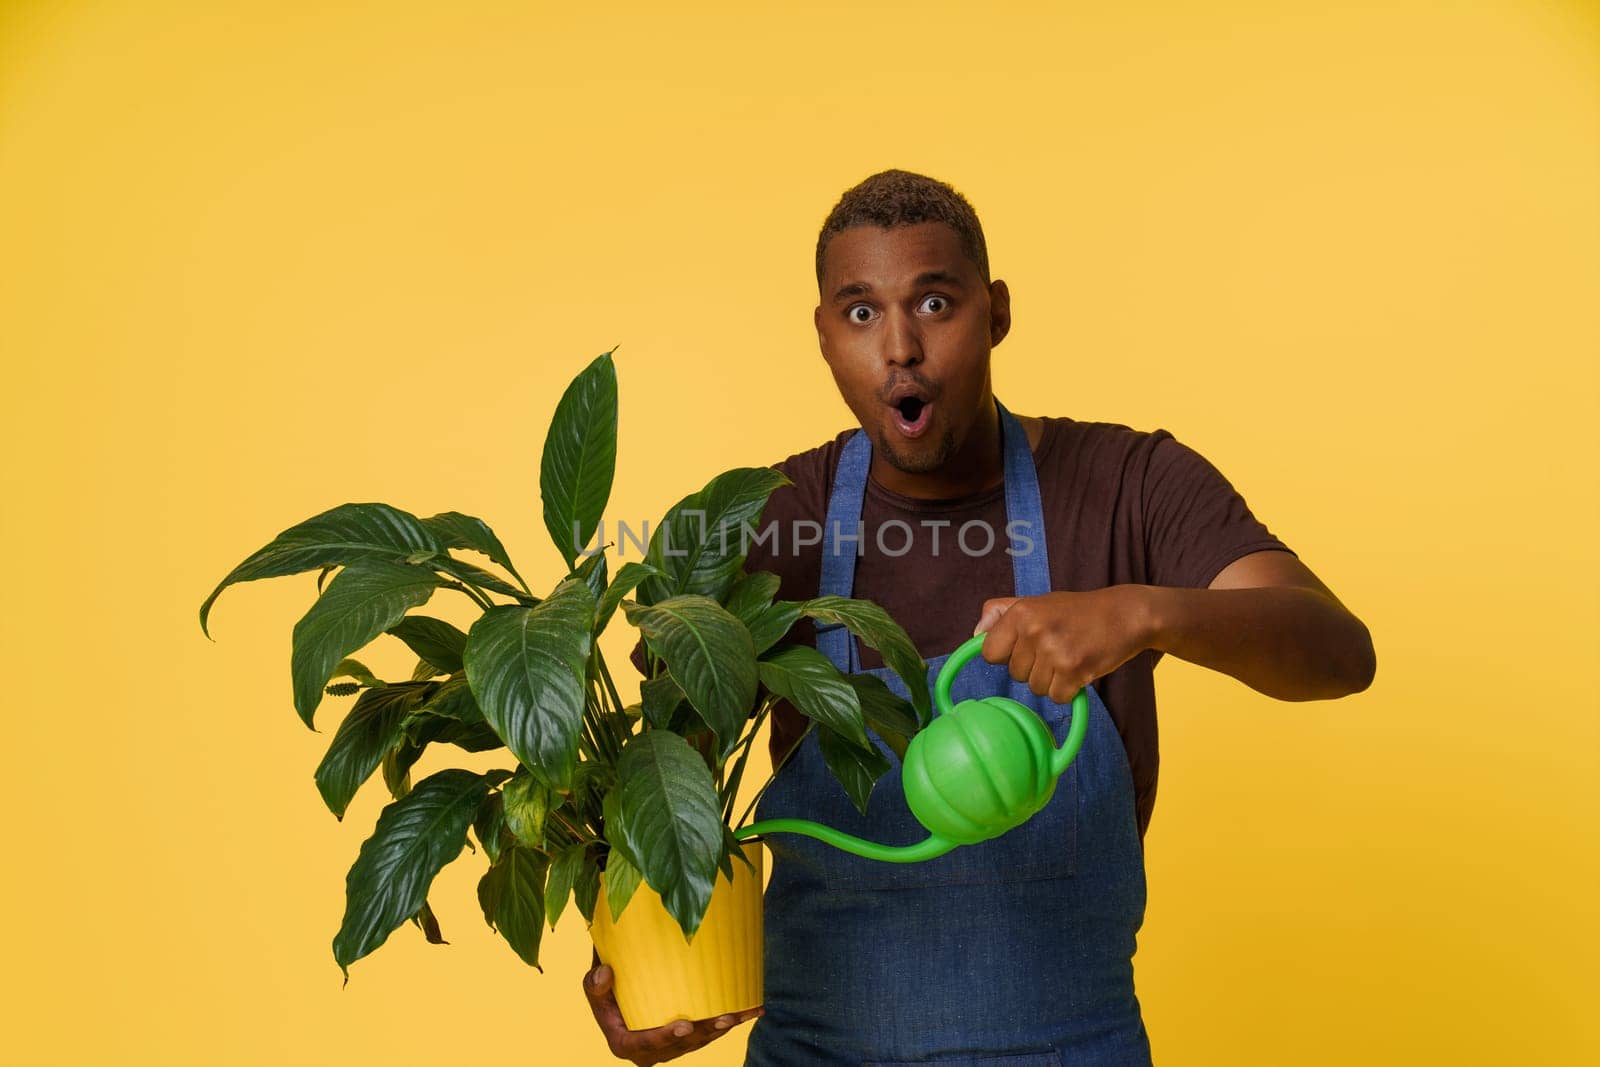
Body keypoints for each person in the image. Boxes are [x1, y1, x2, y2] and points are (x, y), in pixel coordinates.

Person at [584, 169, 1376, 1065]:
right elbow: (652, 784)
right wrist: (648, 976)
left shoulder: (1131, 484)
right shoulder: (769, 521)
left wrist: (1147, 613)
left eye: (934, 303)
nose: (900, 349)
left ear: (996, 311)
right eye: (860, 314)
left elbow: (1339, 651)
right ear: (821, 335)